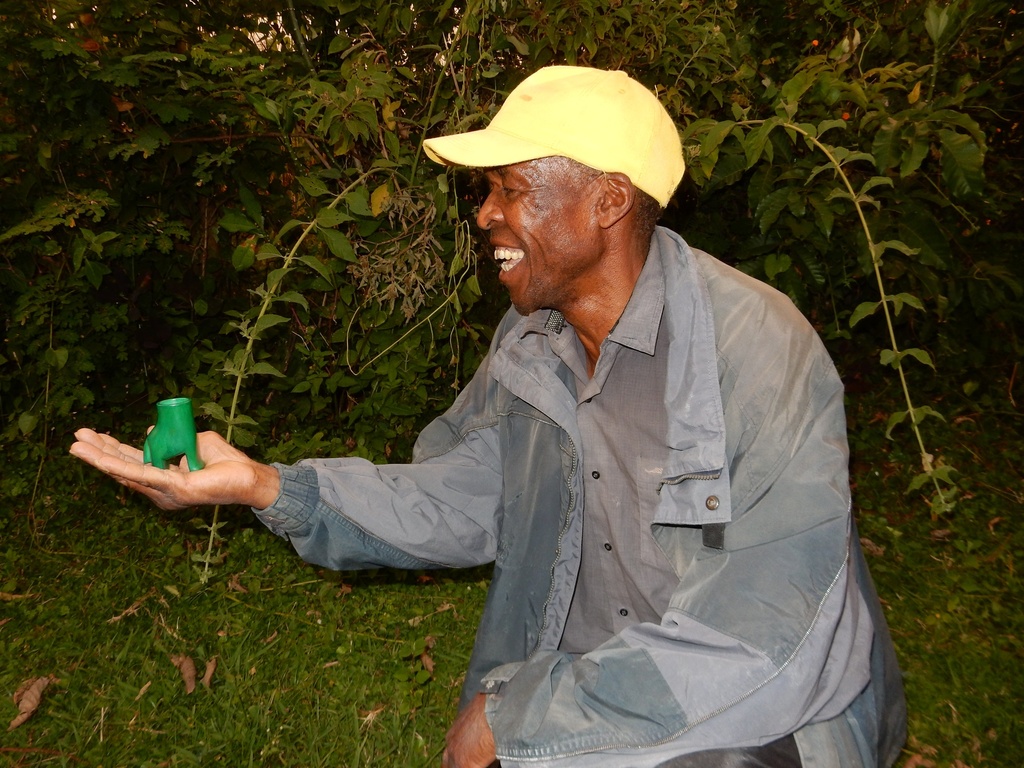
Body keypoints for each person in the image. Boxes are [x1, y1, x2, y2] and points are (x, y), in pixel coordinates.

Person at [70, 66, 906, 767]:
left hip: (756, 720)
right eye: (487, 191)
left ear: (607, 203)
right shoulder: (534, 339)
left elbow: (759, 647)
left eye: (512, 189)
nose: (485, 215)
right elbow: (464, 494)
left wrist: (523, 714)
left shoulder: (757, 349)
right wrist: (263, 486)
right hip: (585, 689)